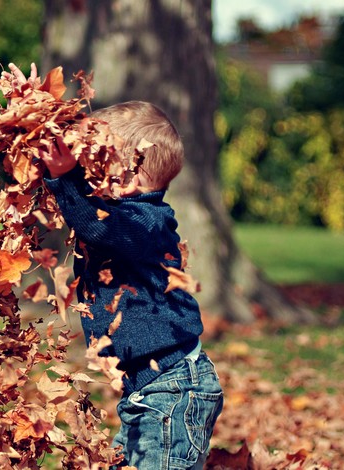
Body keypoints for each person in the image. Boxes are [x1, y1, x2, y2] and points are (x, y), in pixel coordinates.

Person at [41, 101, 224, 469]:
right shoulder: (128, 218)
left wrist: (65, 178)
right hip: (146, 392)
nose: (88, 174)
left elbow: (98, 226)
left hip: (172, 393)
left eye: (97, 164)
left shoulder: (145, 223)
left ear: (131, 177)